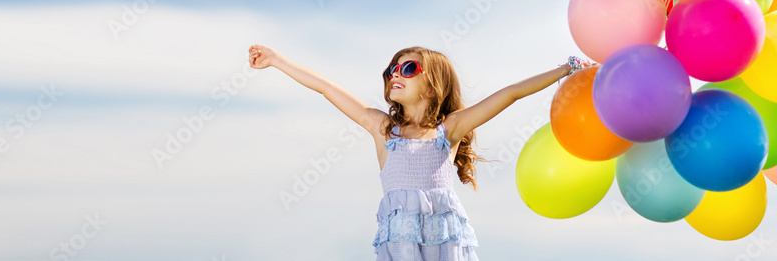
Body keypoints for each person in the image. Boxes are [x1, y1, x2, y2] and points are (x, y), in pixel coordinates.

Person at [248, 44, 595, 260]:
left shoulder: (450, 130)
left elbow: (510, 94)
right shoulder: (383, 129)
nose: (396, 74)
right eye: (392, 69)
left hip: (446, 247)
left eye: (409, 68)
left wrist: (566, 69)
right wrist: (277, 60)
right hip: (401, 249)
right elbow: (325, 87)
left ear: (433, 85)